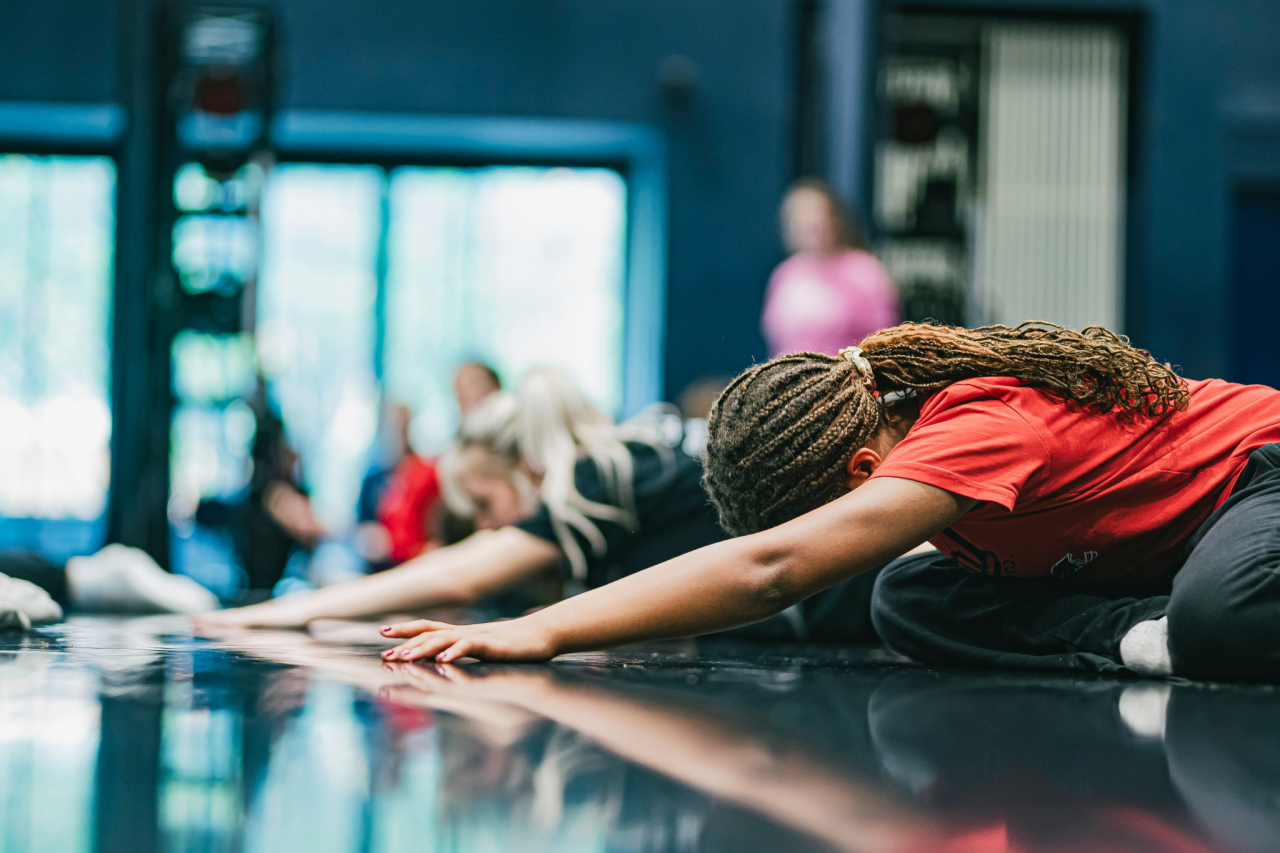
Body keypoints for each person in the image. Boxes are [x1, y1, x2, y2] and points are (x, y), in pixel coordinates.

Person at [381, 322, 1280, 685]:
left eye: (816, 519)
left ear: (859, 468)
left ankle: (1175, 626)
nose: (815, 544)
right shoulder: (921, 461)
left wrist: (546, 628)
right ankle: (1139, 632)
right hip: (1148, 549)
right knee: (906, 597)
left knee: (1220, 615)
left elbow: (772, 569)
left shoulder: (977, 427)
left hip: (1258, 478)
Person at [193, 367, 733, 630]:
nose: (486, 529)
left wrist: (282, 614)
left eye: (484, 504)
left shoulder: (589, 477)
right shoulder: (626, 461)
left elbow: (457, 573)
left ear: (527, 470)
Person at [761, 179, 899, 358]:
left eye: (816, 213)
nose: (809, 222)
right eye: (799, 215)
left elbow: (886, 342)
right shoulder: (784, 274)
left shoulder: (864, 271)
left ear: (834, 219)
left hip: (846, 381)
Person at [0, 544, 219, 628]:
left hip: (101, 576)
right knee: (197, 600)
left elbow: (46, 608)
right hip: (97, 571)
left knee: (199, 602)